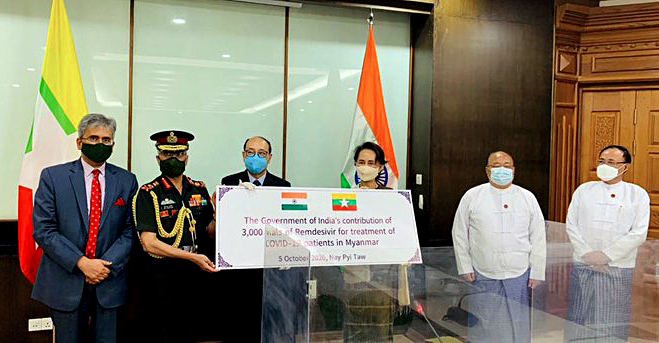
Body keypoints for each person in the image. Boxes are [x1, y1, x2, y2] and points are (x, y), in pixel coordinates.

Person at [31, 113, 138, 343]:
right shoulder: (53, 177)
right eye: (93, 138)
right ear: (79, 142)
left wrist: (103, 267)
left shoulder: (127, 180)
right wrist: (82, 263)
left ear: (113, 144)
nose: (100, 144)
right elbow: (44, 230)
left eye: (106, 140)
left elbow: (130, 230)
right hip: (65, 281)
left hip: (109, 282)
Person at [451, 151, 546, 343]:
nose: (502, 169)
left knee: (517, 324)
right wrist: (465, 266)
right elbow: (459, 233)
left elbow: (538, 236)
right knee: (484, 323)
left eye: (507, 165)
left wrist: (537, 271)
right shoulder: (472, 196)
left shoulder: (527, 197)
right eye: (496, 165)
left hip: (519, 273)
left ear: (513, 170)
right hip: (483, 271)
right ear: (487, 171)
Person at [132, 130, 216, 343]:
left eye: (178, 154)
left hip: (195, 274)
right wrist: (192, 258)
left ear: (186, 158)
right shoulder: (148, 193)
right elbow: (149, 244)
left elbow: (208, 231)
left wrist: (220, 217)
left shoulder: (198, 188)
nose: (173, 159)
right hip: (163, 276)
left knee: (190, 330)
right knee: (163, 332)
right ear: (158, 158)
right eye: (167, 154)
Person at [564, 145, 650, 342]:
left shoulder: (637, 194)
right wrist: (587, 254)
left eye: (611, 162)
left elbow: (638, 233)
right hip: (583, 264)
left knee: (612, 319)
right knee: (580, 316)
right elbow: (571, 225)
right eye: (601, 161)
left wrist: (606, 256)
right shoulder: (584, 190)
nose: (604, 166)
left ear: (625, 167)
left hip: (617, 267)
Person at [341, 142, 410, 343]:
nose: (365, 166)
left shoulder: (392, 197)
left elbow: (402, 231)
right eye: (361, 162)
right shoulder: (344, 197)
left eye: (371, 163)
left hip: (383, 275)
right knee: (354, 325)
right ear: (355, 165)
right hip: (355, 271)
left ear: (380, 167)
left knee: (380, 327)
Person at [221, 136, 290, 187]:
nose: (255, 157)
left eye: (262, 153)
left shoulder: (283, 186)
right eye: (250, 152)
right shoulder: (229, 182)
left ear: (269, 158)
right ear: (244, 155)